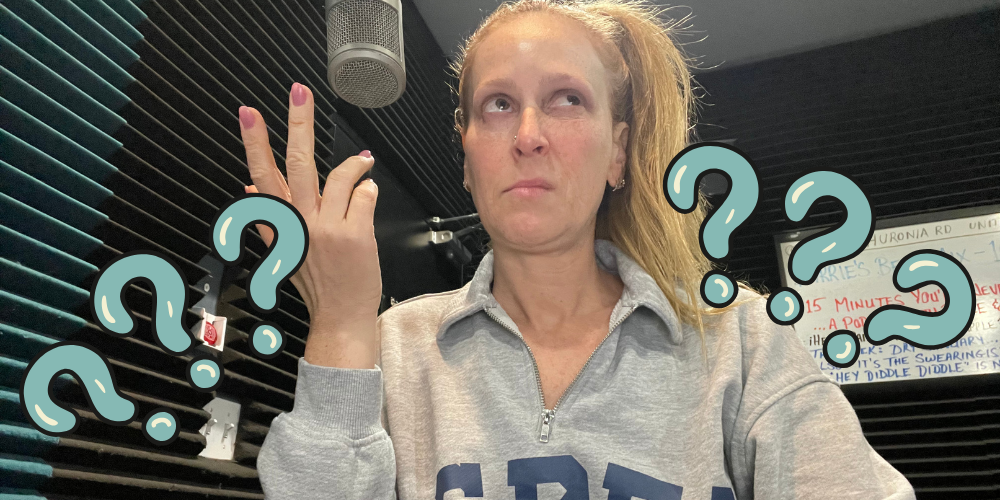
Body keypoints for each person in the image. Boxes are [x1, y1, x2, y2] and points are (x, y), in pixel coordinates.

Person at [241, 1, 916, 498]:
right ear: (468, 160)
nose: (528, 135)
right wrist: (339, 326)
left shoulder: (741, 340)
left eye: (566, 99)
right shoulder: (394, 348)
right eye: (498, 105)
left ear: (617, 152)